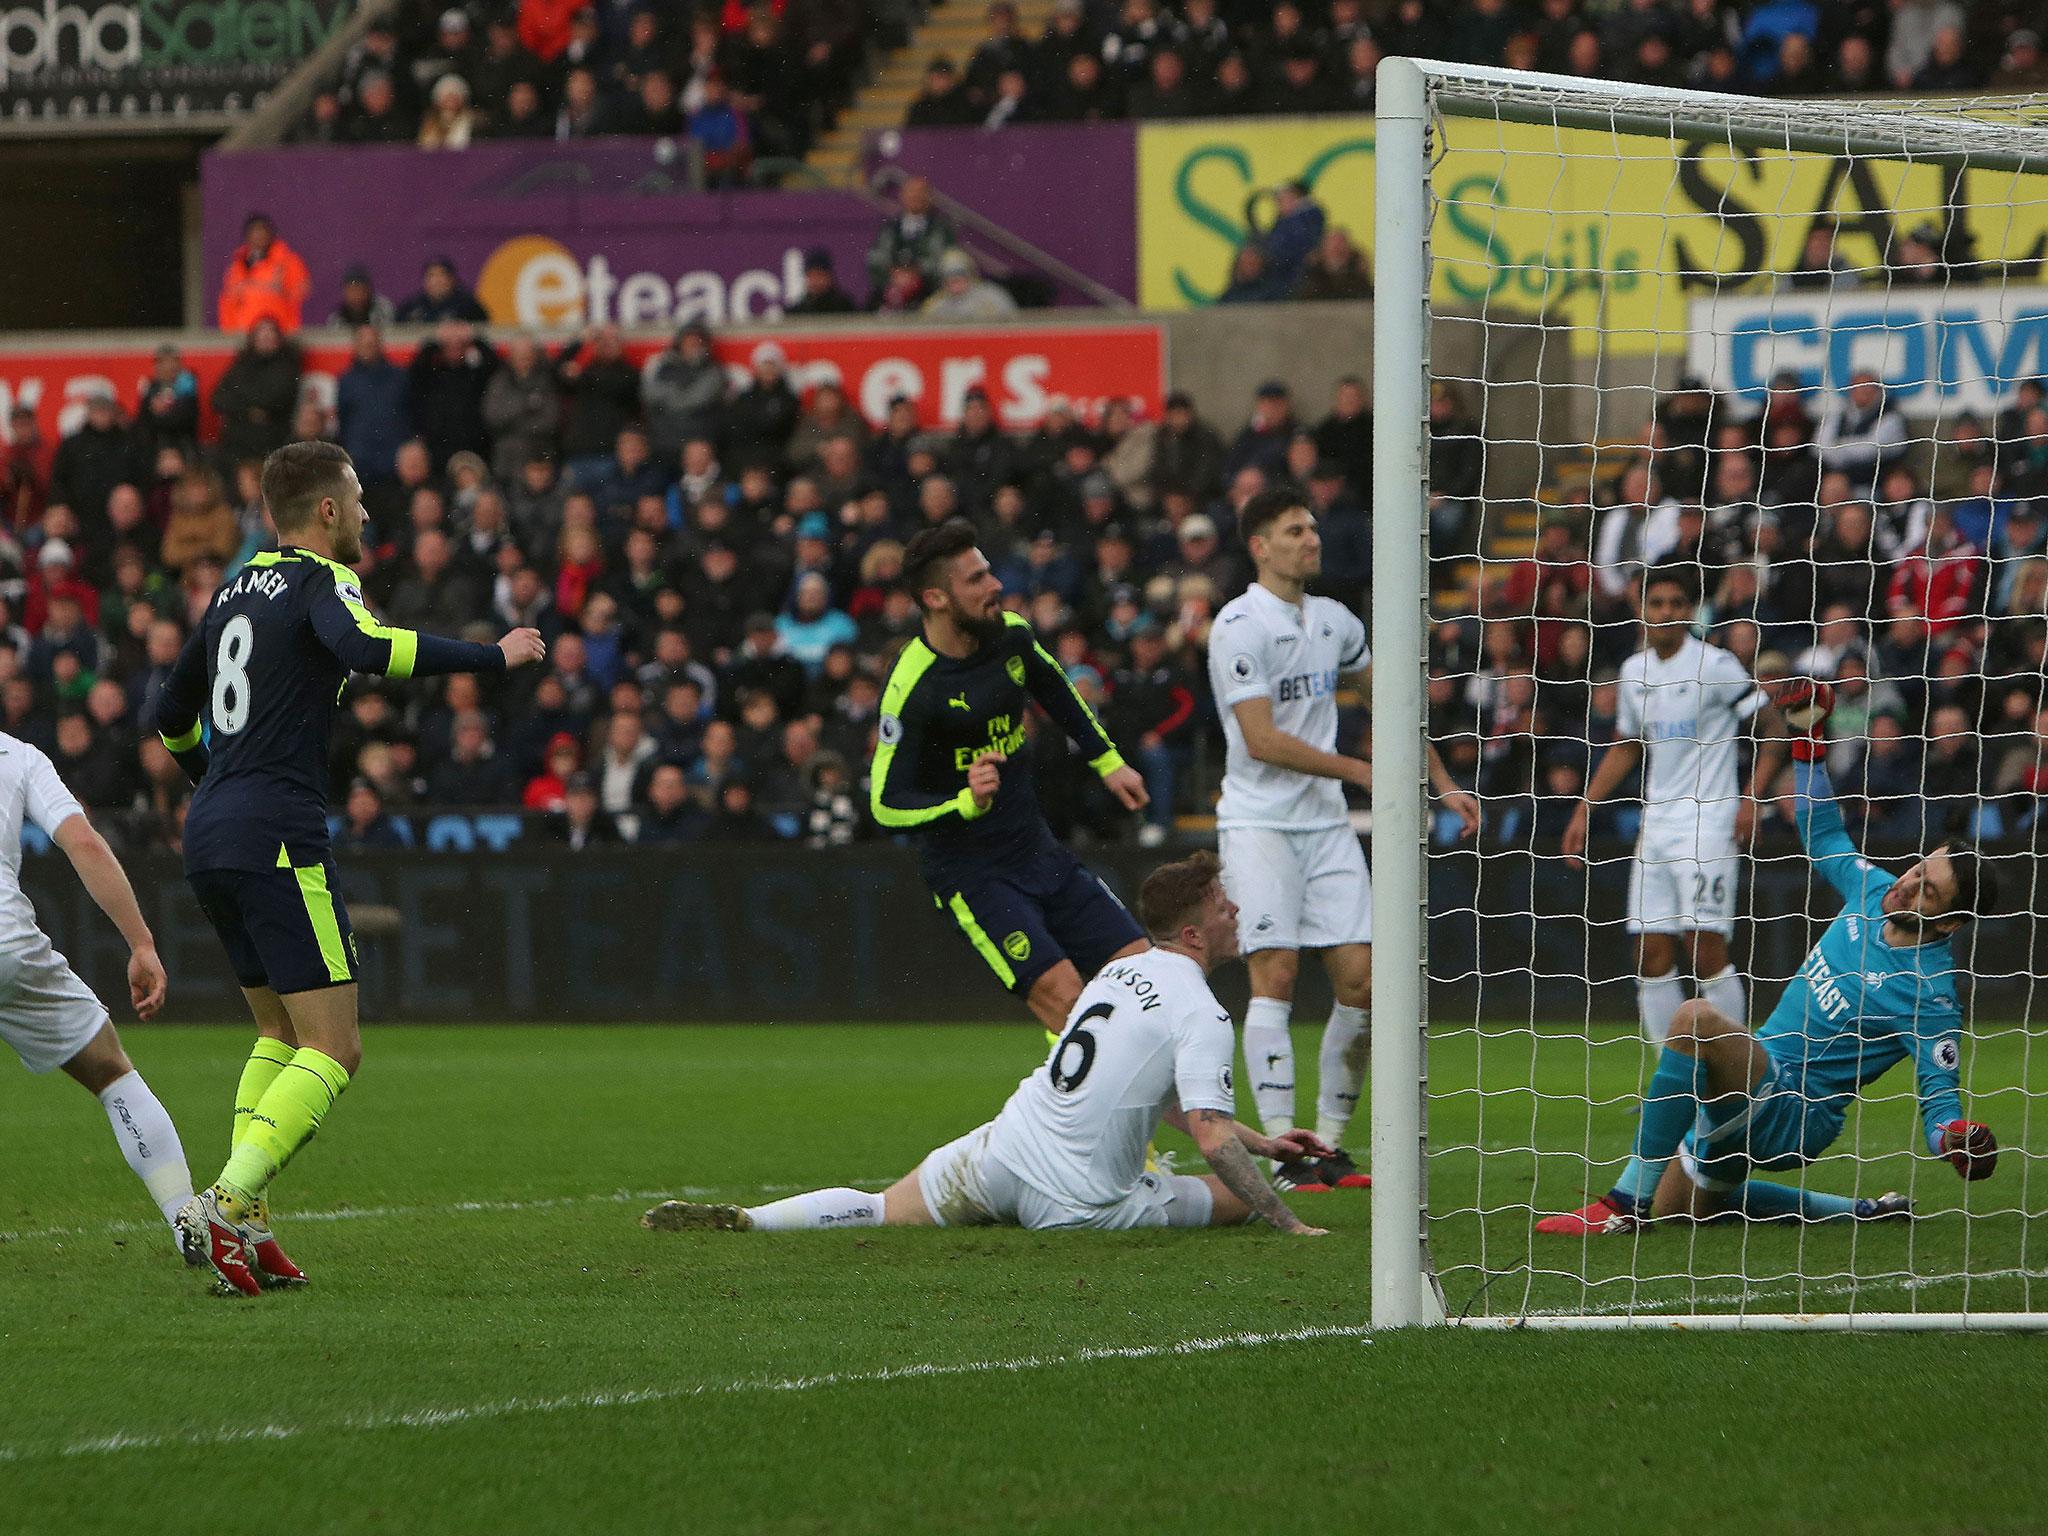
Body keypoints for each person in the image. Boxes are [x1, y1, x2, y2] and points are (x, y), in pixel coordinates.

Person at [154, 441, 547, 1297]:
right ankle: (226, 1199)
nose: (369, 513)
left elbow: (167, 713)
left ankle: (245, 1220)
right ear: (327, 512)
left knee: (279, 1035)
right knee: (337, 1048)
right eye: (360, 500)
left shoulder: (230, 590)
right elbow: (365, 648)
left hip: (212, 828)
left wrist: (212, 783)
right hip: (277, 832)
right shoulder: (319, 580)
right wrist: (493, 655)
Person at [643, 852, 1332, 1236]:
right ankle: (1264, 1204)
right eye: (1221, 906)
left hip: (1005, 1151)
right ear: (1192, 933)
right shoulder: (1202, 1011)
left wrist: (1266, 1141)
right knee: (1240, 1196)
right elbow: (1209, 1137)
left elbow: (1169, 1105)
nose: (1235, 912)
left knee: (884, 1209)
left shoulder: (1117, 973)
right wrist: (1288, 1220)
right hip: (1081, 1206)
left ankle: (756, 1222)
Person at [1540, 683, 1997, 1233]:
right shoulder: (1873, 892)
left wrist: (1953, 1138)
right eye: (1917, 870)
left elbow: (1938, 1099)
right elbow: (1823, 832)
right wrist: (1809, 744)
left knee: (1694, 1020)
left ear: (1948, 922)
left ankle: (1620, 1205)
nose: (1906, 885)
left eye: (1926, 891)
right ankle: (1859, 1212)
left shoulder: (1931, 994)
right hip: (1755, 1085)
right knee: (1681, 1209)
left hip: (1794, 1116)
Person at [1209, 489, 1479, 1191]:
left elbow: (1391, 701)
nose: (1312, 538)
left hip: (1323, 821)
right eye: (1294, 529)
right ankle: (1283, 1153)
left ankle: (1326, 1147)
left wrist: (1442, 783)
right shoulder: (1238, 625)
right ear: (1260, 546)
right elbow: (1262, 740)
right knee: (1276, 976)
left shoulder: (1333, 621)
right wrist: (1359, 768)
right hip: (1259, 821)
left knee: (1363, 981)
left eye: (1313, 527)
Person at [870, 517, 1150, 1038]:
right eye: (975, 579)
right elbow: (885, 803)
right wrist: (962, 802)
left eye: (989, 572)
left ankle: (1080, 1094)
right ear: (934, 597)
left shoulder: (1011, 635)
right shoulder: (912, 686)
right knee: (1073, 1006)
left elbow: (1057, 690)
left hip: (1038, 850)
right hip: (973, 876)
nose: (996, 585)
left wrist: (1107, 762)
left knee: (1146, 976)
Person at [1563, 564, 1788, 1046]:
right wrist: (1585, 806)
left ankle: (1739, 1073)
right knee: (1649, 953)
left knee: (1704, 948)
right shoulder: (1632, 671)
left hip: (1710, 820)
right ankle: (1674, 1078)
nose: (1665, 612)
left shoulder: (1715, 664)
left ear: (1689, 611)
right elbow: (1627, 746)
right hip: (1657, 824)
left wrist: (1752, 795)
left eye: (1675, 604)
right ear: (1642, 610)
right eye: (1656, 603)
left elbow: (1774, 727)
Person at [0, 730, 195, 1256]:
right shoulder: (18, 757)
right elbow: (83, 842)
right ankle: (187, 1223)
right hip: (7, 949)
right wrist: (141, 942)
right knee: (111, 1073)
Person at [217, 214, 312, 335]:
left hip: (279, 334)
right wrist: (229, 332)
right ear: (247, 236)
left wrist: (281, 291)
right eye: (255, 231)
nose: (259, 236)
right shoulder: (237, 265)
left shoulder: (287, 261)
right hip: (243, 334)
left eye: (263, 231)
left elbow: (302, 290)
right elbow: (227, 300)